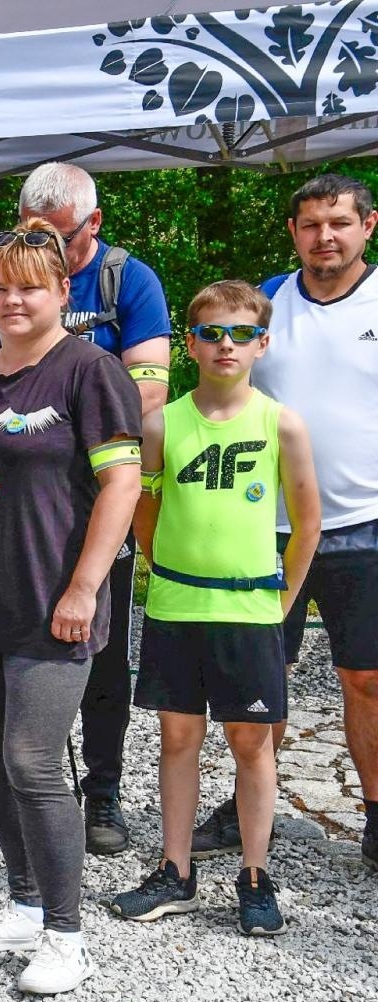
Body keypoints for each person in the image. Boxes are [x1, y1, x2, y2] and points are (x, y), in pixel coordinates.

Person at [0, 219, 141, 995]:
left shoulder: (90, 371)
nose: (13, 299)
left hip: (54, 603)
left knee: (32, 762)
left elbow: (122, 484)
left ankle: (67, 937)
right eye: (0, 285)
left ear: (61, 292)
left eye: (30, 286)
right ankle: (23, 902)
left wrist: (87, 585)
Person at [0, 163, 171, 854]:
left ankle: (102, 791)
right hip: (2, 500)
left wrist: (64, 416)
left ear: (91, 227)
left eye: (54, 237)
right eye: (25, 231)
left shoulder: (127, 279)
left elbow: (149, 390)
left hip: (85, 496)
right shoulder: (4, 279)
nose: (34, 247)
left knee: (96, 658)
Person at [110, 281, 318, 935]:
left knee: (251, 744)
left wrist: (282, 600)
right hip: (176, 603)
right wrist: (163, 571)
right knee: (177, 738)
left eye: (239, 333)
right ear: (190, 345)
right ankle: (176, 871)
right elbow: (145, 513)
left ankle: (254, 875)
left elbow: (308, 523)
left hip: (250, 609)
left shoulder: (280, 422)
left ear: (263, 343)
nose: (224, 344)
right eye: (210, 333)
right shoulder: (161, 422)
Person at [244, 172, 378, 869]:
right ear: (293, 233)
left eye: (339, 222)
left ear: (369, 226)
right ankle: (249, 807)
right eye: (310, 224)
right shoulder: (265, 303)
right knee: (266, 672)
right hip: (267, 525)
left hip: (366, 523)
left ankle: (376, 815)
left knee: (367, 679)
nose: (325, 236)